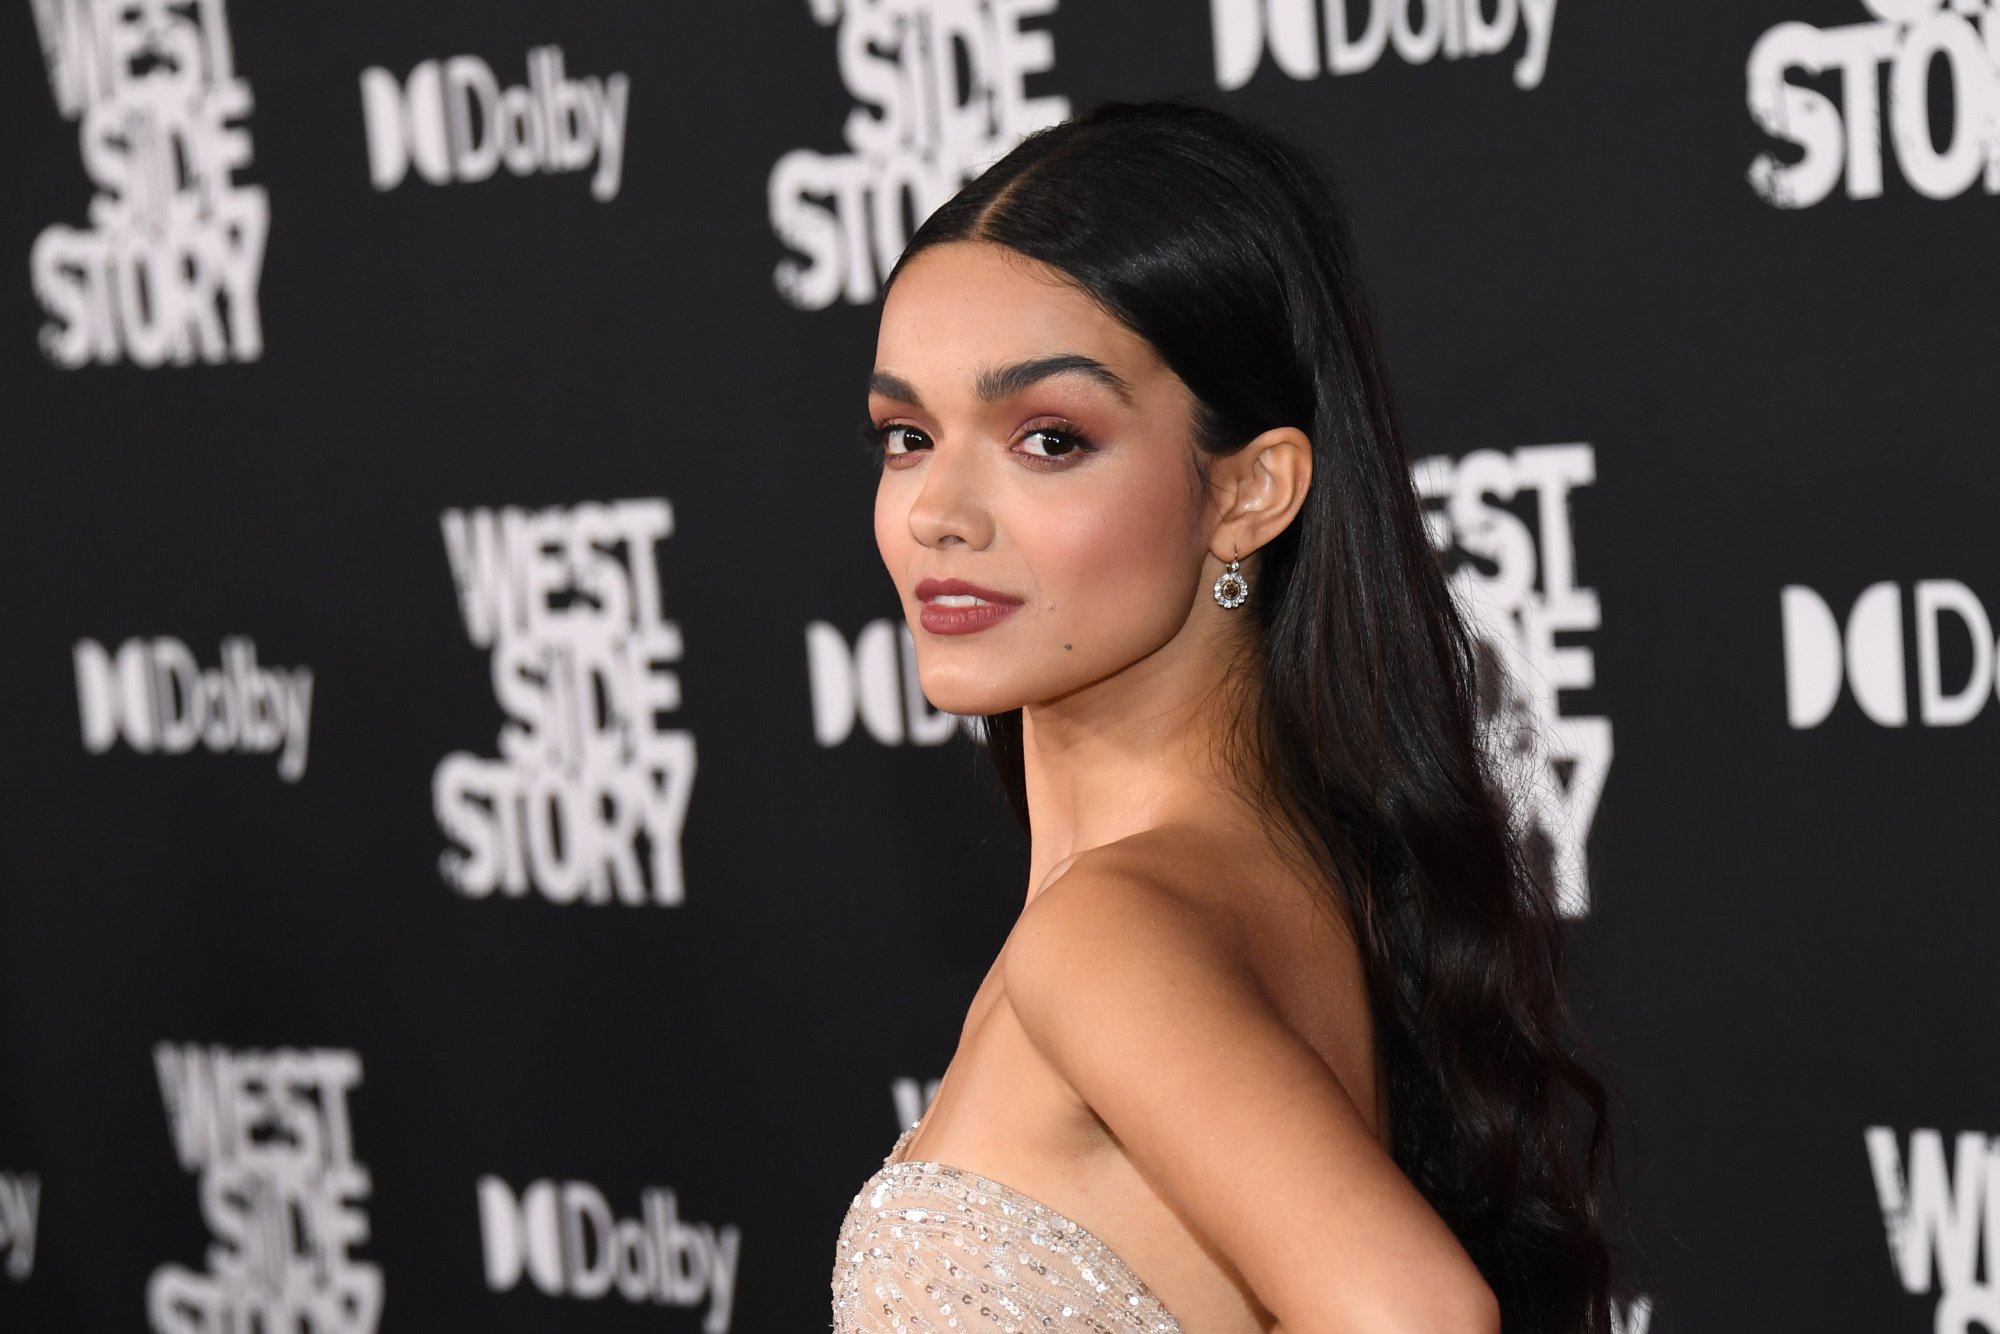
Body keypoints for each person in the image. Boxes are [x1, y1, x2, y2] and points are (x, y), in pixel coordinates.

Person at [831, 97, 1630, 1334]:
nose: (937, 509)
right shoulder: (1281, 876)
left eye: (1048, 437)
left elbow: (1416, 1314)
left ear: (1250, 490)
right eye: (906, 435)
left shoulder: (1107, 931)